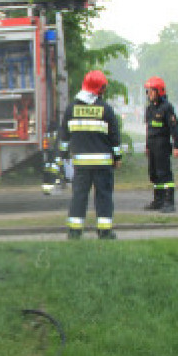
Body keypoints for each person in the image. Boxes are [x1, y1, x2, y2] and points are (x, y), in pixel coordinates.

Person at [58, 70, 122, 239]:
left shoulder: (71, 109)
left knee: (79, 196)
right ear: (99, 89)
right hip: (103, 164)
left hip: (81, 165)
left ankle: (74, 231)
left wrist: (64, 155)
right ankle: (104, 232)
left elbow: (64, 136)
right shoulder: (106, 110)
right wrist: (117, 157)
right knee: (104, 197)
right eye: (103, 87)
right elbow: (114, 137)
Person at [143, 77, 178, 213]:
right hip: (152, 145)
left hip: (162, 144)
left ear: (159, 91)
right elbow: (149, 128)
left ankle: (169, 202)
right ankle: (158, 201)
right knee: (154, 174)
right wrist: (147, 146)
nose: (149, 94)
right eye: (148, 91)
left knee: (164, 174)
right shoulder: (150, 109)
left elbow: (174, 128)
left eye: (151, 91)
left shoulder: (167, 108)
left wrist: (177, 146)